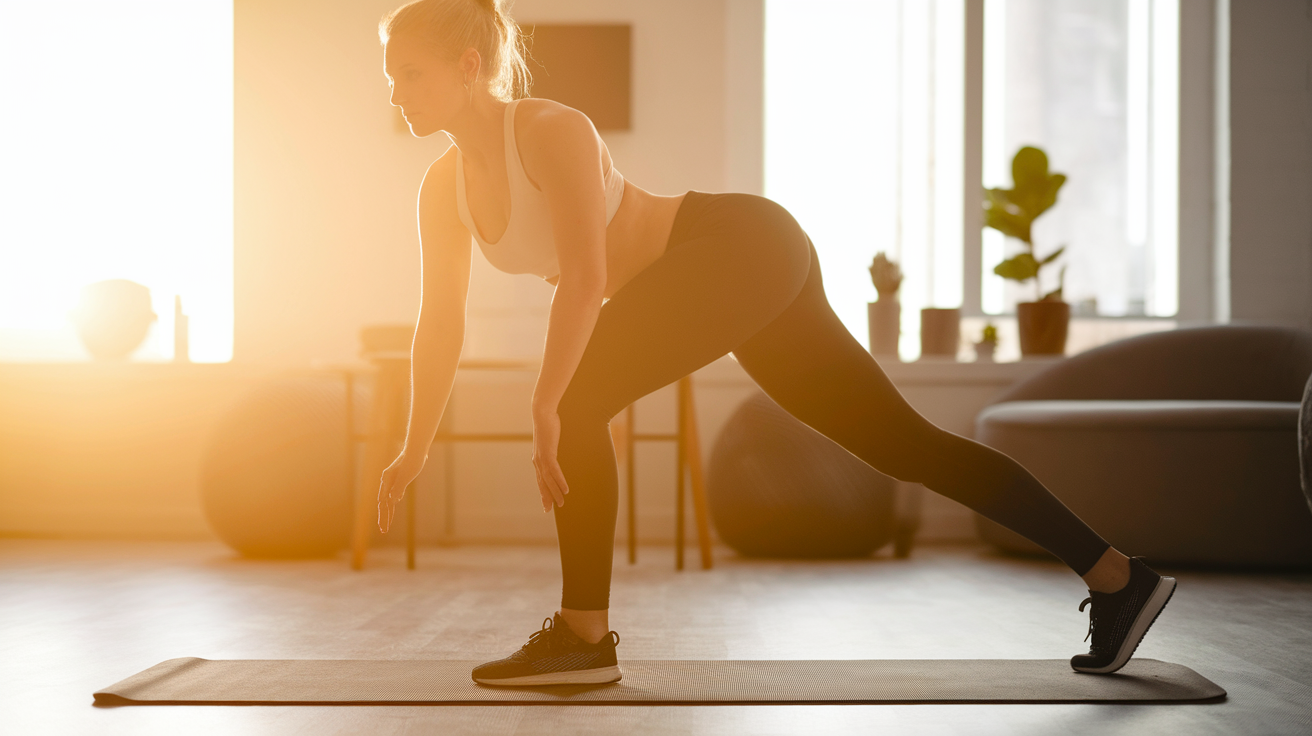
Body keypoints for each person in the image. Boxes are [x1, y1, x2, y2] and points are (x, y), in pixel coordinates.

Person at [373, 0, 1176, 687]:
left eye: (408, 72)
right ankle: (1120, 579)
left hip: (736, 243)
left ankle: (585, 639)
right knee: (904, 444)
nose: (393, 91)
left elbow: (585, 277)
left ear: (468, 64)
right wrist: (413, 448)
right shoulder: (438, 190)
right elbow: (439, 322)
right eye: (388, 73)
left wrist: (546, 402)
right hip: (732, 271)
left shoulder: (550, 130)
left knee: (579, 403)